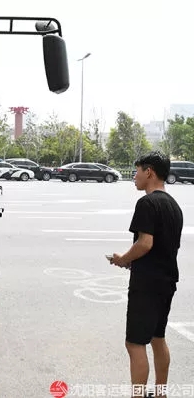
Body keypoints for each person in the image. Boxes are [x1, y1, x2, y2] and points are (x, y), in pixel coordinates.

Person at [110, 151, 183, 398]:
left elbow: (145, 243)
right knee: (157, 337)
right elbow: (163, 248)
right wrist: (134, 263)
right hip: (167, 281)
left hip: (147, 284)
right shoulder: (174, 205)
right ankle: (161, 393)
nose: (135, 176)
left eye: (137, 171)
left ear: (149, 171)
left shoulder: (147, 203)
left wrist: (123, 259)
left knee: (134, 343)